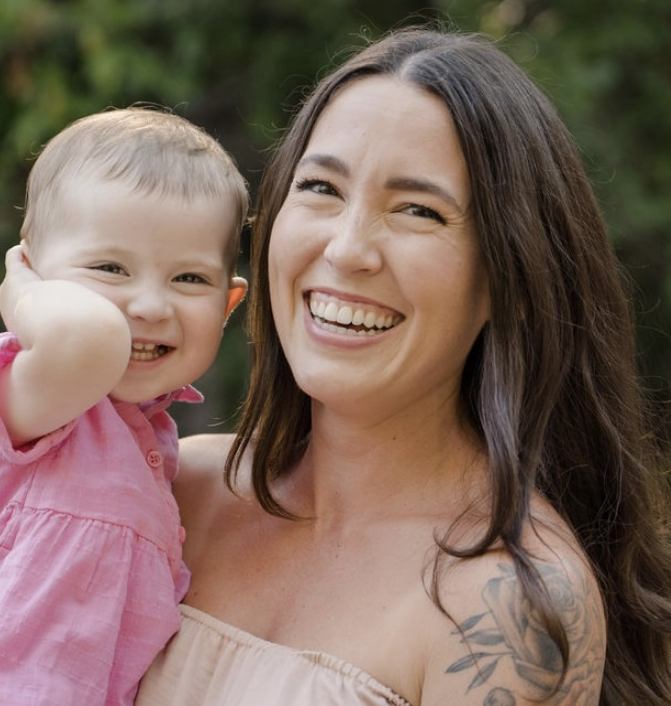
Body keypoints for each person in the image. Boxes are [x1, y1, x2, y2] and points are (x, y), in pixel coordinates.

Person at [134, 27, 671, 706]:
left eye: (418, 210)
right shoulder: (170, 492)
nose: (348, 247)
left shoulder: (506, 605)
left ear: (512, 280)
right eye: (321, 187)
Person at [0, 107, 248, 705]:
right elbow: (85, 341)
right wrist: (23, 291)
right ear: (34, 274)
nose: (149, 304)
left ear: (228, 307)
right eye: (109, 268)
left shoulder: (152, 445)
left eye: (189, 280)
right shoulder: (19, 387)